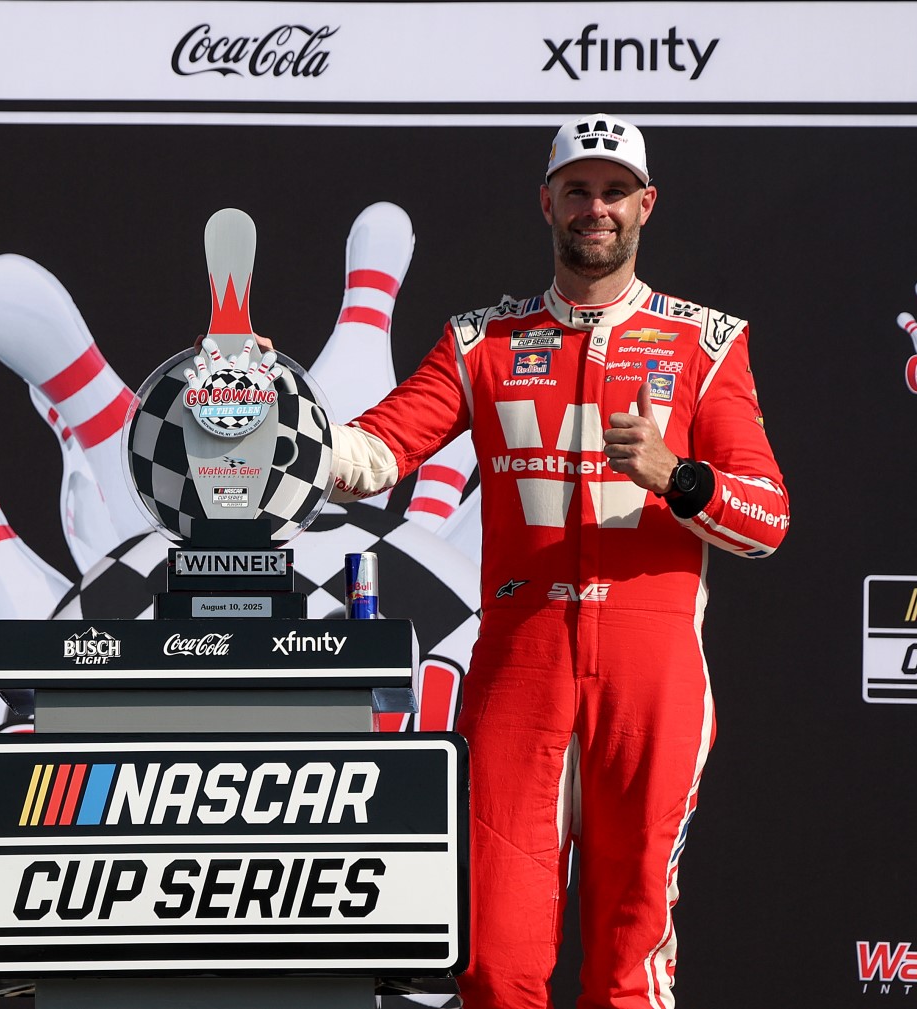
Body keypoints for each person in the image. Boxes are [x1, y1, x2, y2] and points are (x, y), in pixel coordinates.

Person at [327, 113, 790, 1009]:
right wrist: (273, 419)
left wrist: (677, 476)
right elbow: (374, 451)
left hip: (651, 668)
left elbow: (767, 519)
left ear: (646, 206)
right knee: (495, 962)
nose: (596, 208)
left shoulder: (707, 341)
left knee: (630, 961)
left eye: (615, 191)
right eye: (577, 189)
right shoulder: (480, 341)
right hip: (518, 662)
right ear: (546, 201)